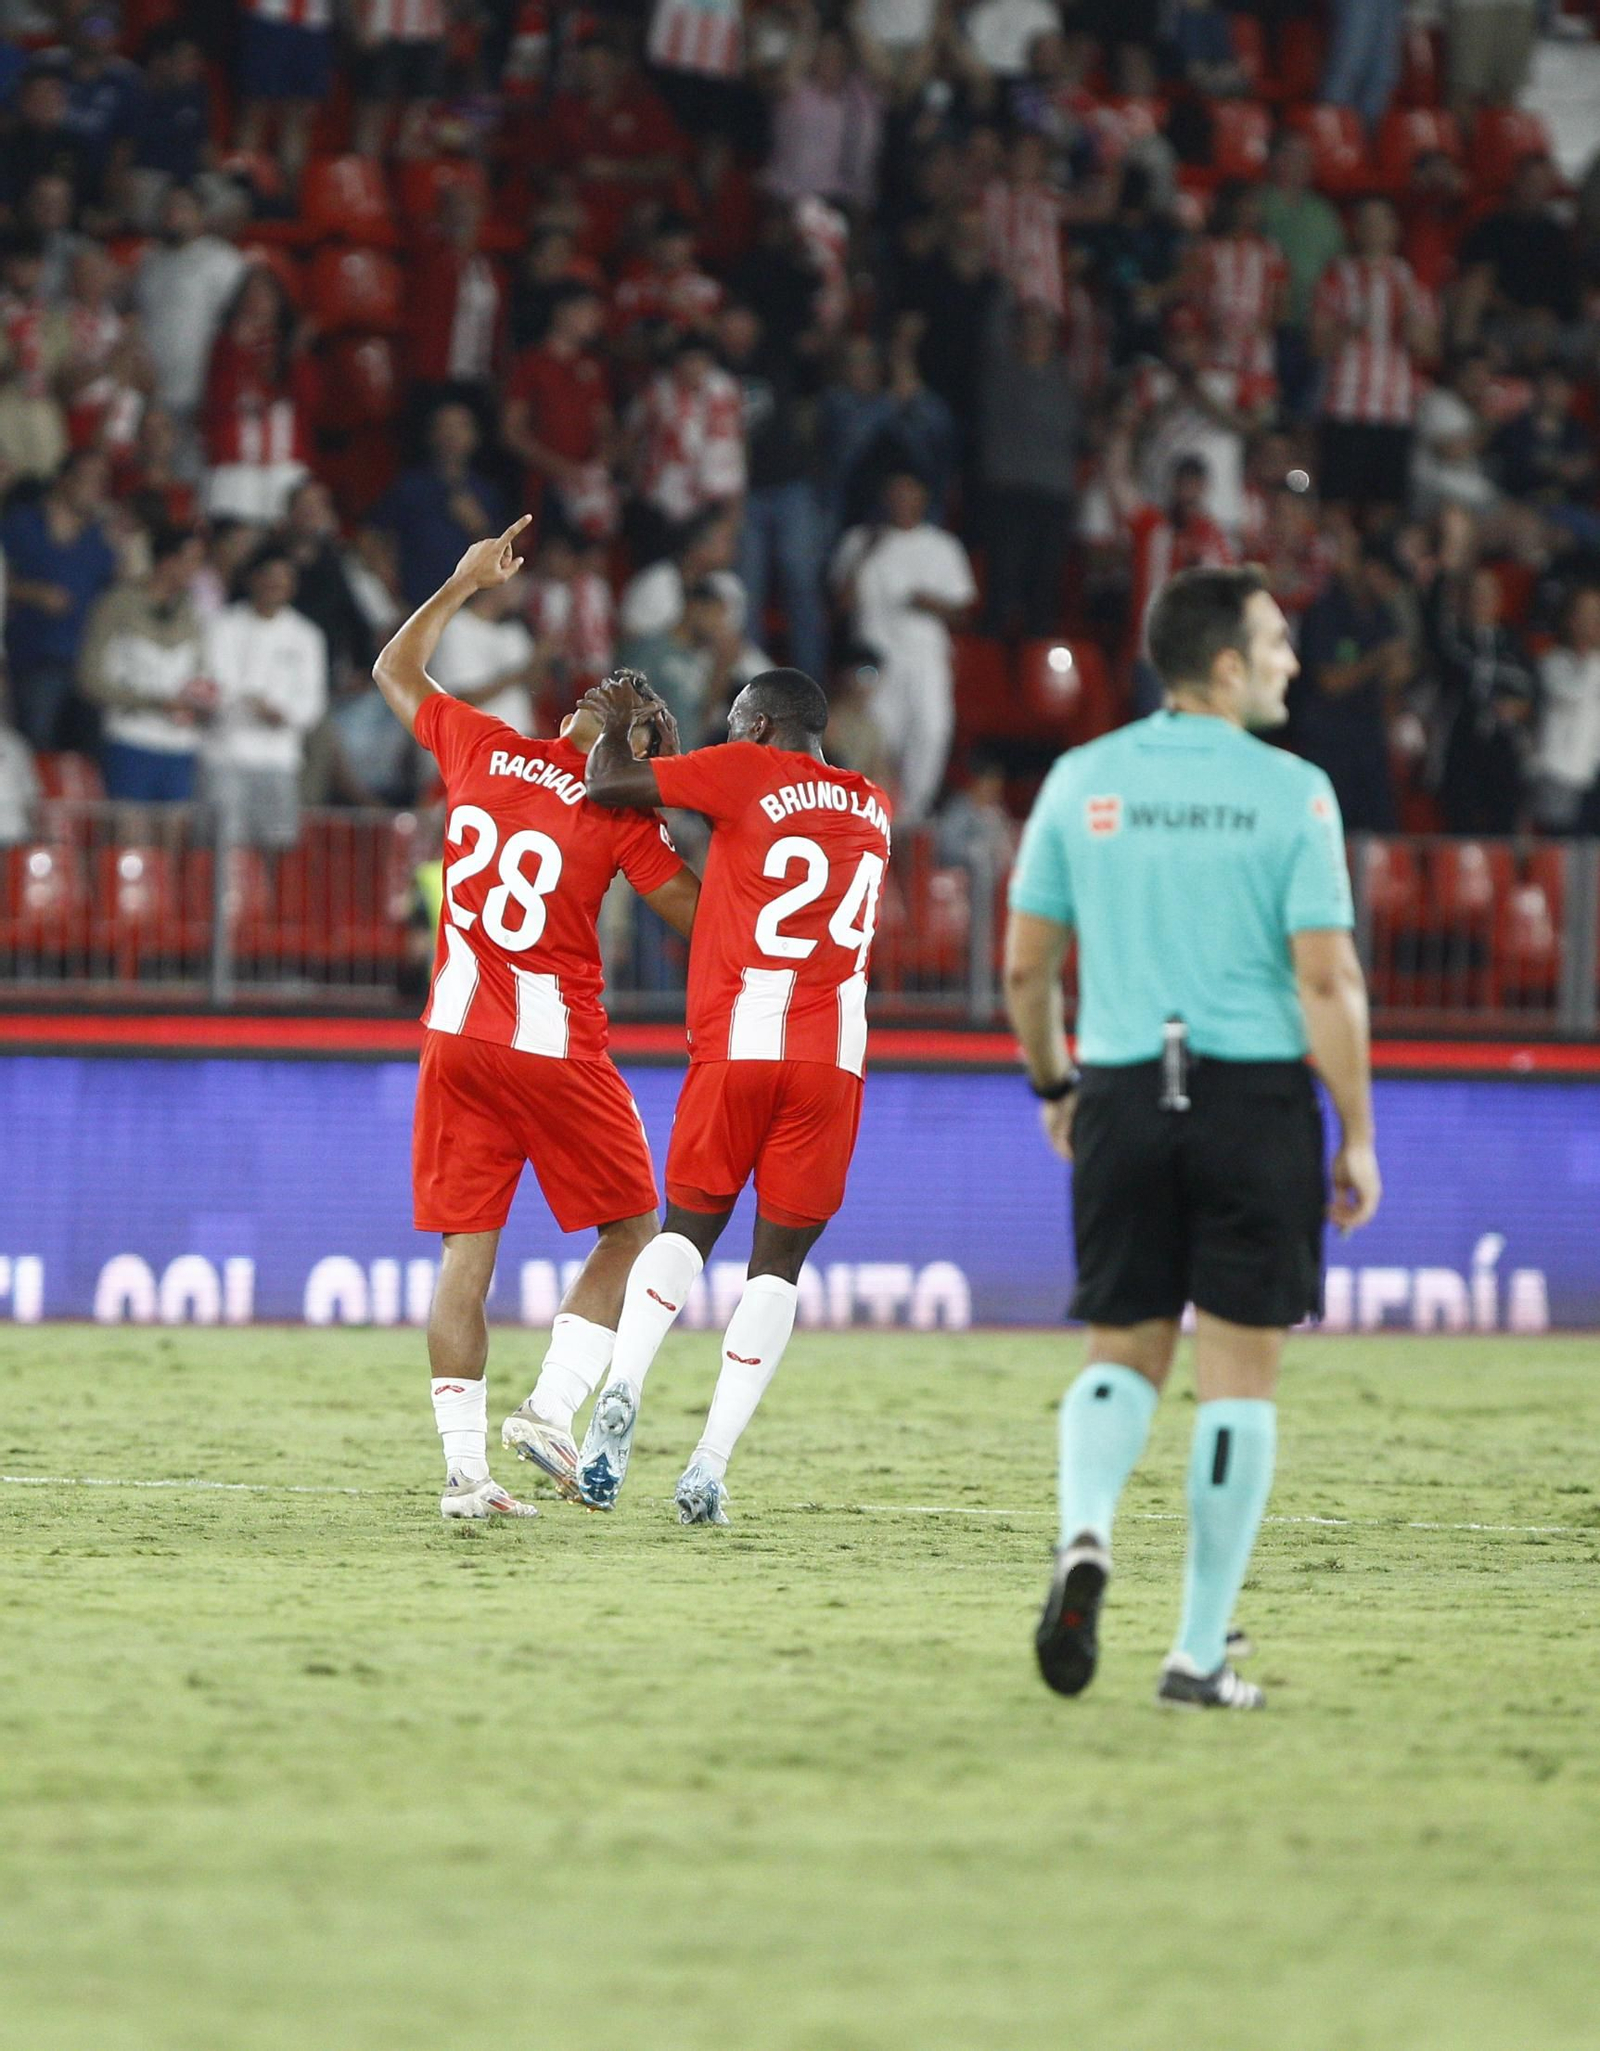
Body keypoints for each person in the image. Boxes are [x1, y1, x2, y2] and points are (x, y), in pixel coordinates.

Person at [1004, 564, 1381, 1712]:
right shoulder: (1295, 792)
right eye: (1274, 641)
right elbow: (1327, 981)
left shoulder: (1079, 778)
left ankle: (1083, 1535)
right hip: (1253, 1099)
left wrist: (1055, 1085)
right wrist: (1356, 1132)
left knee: (1120, 1348)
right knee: (1238, 1381)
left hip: (1120, 1089)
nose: (1290, 661)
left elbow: (1025, 968)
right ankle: (1197, 1652)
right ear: (1225, 663)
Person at [369, 518, 701, 1520]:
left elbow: (395, 664)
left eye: (638, 697)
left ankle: (466, 1475)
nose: (624, 687)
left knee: (465, 1257)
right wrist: (690, 805)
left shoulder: (482, 747)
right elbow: (697, 915)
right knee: (636, 1228)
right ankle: (551, 1409)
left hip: (456, 1039)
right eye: (632, 695)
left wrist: (463, 580)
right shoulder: (619, 816)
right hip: (551, 1047)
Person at [573, 664, 893, 1525]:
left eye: (733, 722)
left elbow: (611, 783)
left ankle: (623, 1388)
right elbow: (740, 822)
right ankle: (708, 1465)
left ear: (756, 726)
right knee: (777, 1269)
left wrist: (614, 723)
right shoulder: (872, 805)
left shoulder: (747, 771)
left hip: (740, 1043)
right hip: (831, 1059)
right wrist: (684, 760)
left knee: (684, 1234)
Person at [830, 467, 976, 821]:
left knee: (932, 730)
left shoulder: (941, 546)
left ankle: (910, 817)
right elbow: (841, 603)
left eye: (909, 492)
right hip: (873, 661)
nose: (901, 500)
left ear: (923, 497)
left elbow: (965, 611)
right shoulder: (859, 540)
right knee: (879, 736)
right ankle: (870, 817)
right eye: (894, 492)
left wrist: (931, 603)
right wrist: (867, 552)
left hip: (925, 659)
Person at [1312, 198, 1435, 514]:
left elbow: (1429, 350)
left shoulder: (1410, 281)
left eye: (1382, 221)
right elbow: (1316, 345)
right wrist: (1351, 326)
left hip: (1394, 410)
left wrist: (1411, 325)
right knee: (1336, 506)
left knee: (1386, 509)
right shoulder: (1337, 278)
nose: (1375, 229)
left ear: (1395, 229)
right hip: (1345, 406)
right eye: (1367, 221)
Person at [201, 546, 327, 849]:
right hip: (227, 753)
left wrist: (285, 715)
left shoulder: (306, 636)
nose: (275, 587)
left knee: (278, 846)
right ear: (253, 580)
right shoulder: (223, 625)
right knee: (224, 846)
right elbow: (214, 683)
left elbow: (312, 702)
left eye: (283, 580)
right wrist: (250, 703)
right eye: (269, 579)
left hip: (280, 758)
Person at [79, 520, 210, 802]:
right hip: (129, 738)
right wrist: (153, 702)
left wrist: (202, 699)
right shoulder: (117, 604)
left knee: (172, 836)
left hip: (181, 744)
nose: (196, 570)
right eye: (191, 560)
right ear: (166, 561)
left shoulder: (193, 611)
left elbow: (201, 673)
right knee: (130, 836)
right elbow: (89, 678)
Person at [0, 447, 117, 748]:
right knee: (37, 748)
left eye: (101, 482)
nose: (95, 489)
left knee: (83, 754)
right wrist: (30, 592)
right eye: (88, 479)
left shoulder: (100, 540)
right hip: (34, 659)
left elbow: (111, 597)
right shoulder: (21, 524)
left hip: (85, 667)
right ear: (64, 480)